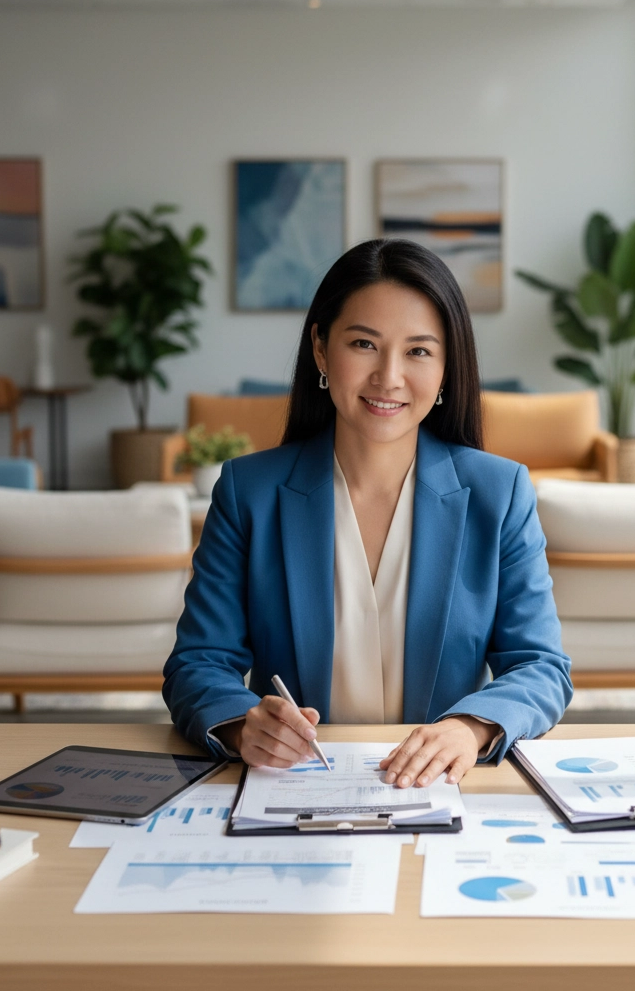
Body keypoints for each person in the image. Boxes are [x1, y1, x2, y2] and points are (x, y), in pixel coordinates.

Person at [163, 239, 572, 788]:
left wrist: (470, 727)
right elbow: (197, 663)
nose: (389, 376)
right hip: (296, 792)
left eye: (419, 351)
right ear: (321, 350)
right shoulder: (248, 491)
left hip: (440, 791)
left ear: (449, 366)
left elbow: (541, 666)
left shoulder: (500, 493)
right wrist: (243, 725)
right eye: (364, 343)